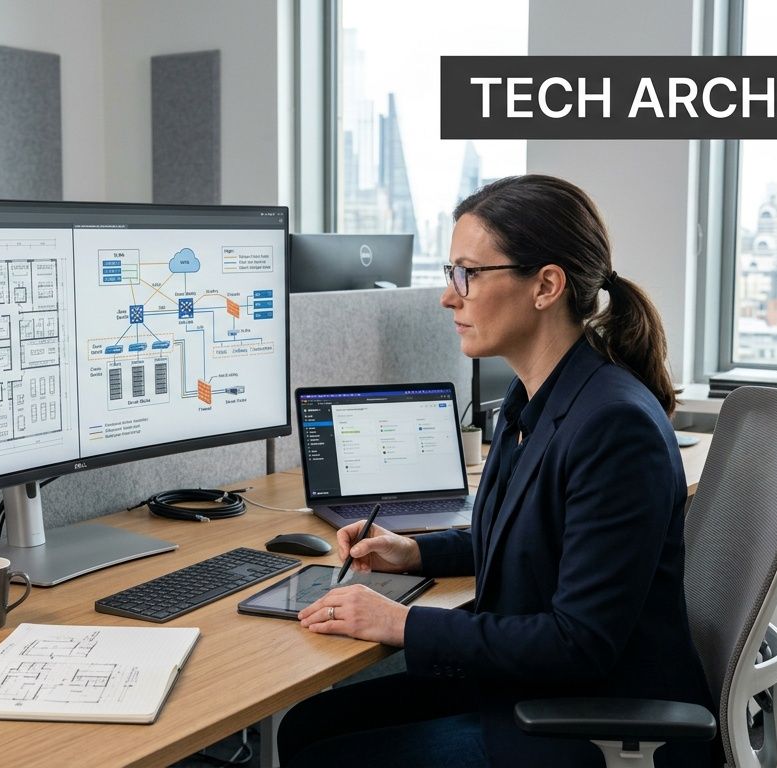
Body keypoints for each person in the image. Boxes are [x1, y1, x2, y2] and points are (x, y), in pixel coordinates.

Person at [276, 175, 713, 767]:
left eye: (468, 274)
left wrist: (405, 624)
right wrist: (416, 554)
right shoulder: (532, 401)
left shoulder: (614, 426)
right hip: (530, 689)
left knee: (326, 756)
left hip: (592, 715)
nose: (448, 296)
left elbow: (578, 643)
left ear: (546, 286)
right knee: (308, 725)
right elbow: (529, 536)